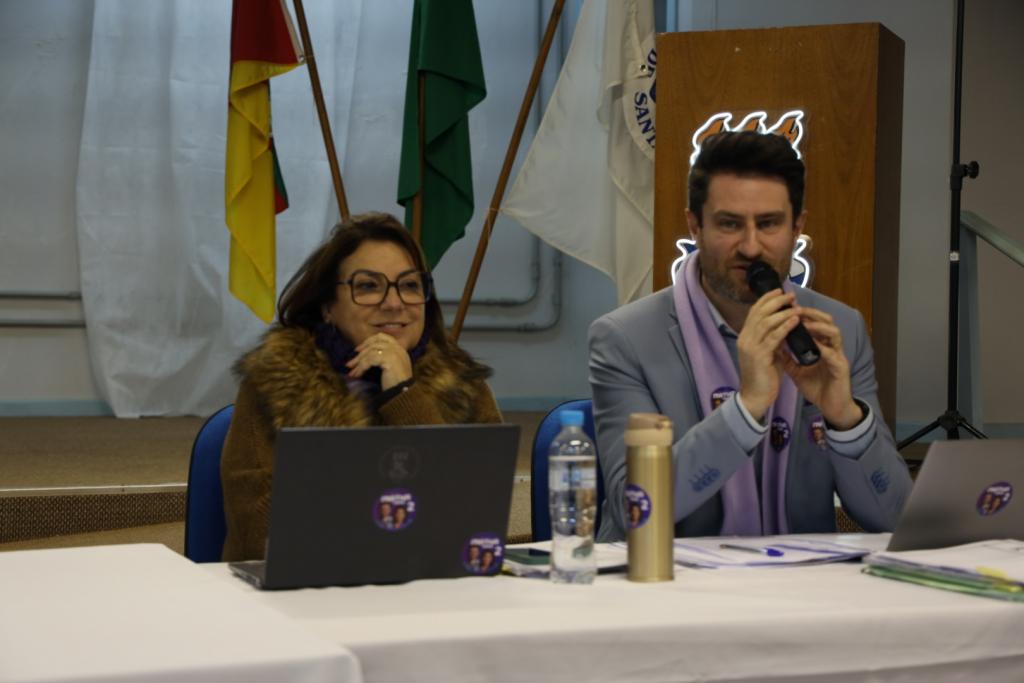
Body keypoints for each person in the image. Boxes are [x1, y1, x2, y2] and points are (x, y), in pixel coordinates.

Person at [589, 131, 912, 542]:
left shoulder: (839, 330)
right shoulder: (624, 339)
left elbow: (896, 519)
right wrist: (746, 408)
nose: (751, 247)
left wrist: (845, 418)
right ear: (695, 226)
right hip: (667, 577)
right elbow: (634, 510)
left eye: (769, 224)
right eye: (730, 224)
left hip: (801, 577)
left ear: (797, 227)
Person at [221, 212, 502, 561]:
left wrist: (404, 395)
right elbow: (259, 533)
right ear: (328, 306)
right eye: (368, 286)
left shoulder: (463, 384)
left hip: (433, 585)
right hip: (308, 588)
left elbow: (478, 523)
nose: (394, 303)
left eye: (409, 286)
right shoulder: (276, 381)